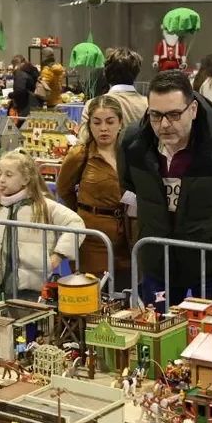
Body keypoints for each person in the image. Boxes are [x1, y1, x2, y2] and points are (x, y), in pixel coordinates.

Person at [119, 70, 212, 308]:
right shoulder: (133, 142)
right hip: (158, 260)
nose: (164, 124)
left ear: (193, 109)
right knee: (159, 326)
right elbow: (129, 182)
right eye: (155, 115)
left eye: (174, 114)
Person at [0, 151, 84, 306]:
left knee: (28, 320)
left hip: (30, 288)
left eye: (9, 175)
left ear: (25, 179)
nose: (2, 179)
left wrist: (59, 255)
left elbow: (76, 223)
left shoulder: (44, 206)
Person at [58, 97, 135, 292]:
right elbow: (64, 190)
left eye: (110, 122)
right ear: (89, 125)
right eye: (97, 122)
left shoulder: (130, 153)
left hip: (127, 238)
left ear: (120, 123)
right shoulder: (79, 154)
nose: (103, 128)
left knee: (125, 294)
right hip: (92, 240)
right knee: (93, 294)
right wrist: (81, 215)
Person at [79, 48, 147, 142]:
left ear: (105, 73)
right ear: (136, 73)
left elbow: (84, 140)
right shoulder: (149, 105)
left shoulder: (93, 105)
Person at [8, 55, 40, 120]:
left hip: (23, 107)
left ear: (16, 64)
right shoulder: (31, 71)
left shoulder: (20, 73)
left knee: (20, 124)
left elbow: (20, 91)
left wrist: (10, 95)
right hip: (34, 103)